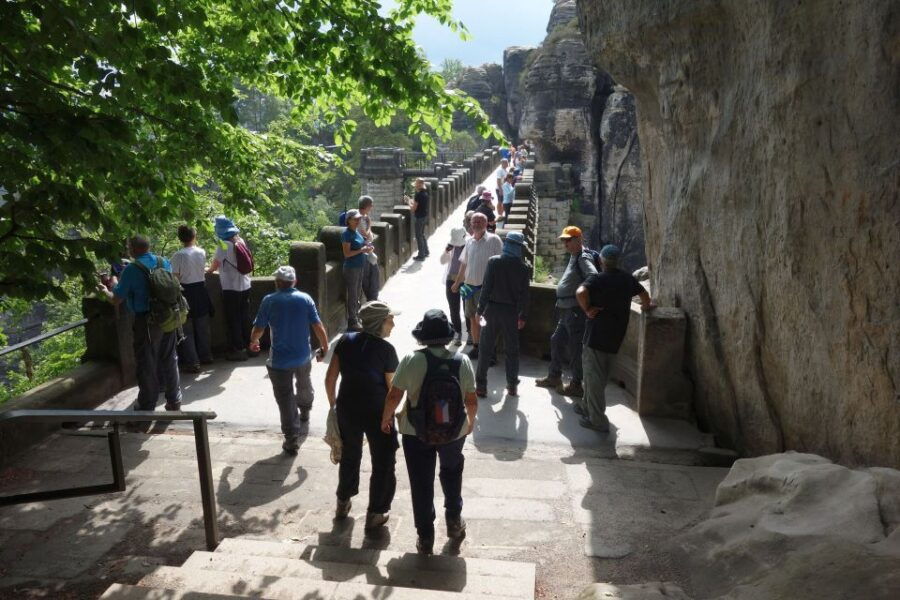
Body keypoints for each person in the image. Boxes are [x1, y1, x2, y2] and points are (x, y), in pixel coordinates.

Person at [380, 309, 478, 554]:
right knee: (452, 472)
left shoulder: (412, 359)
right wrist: (471, 421)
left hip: (416, 431)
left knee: (421, 482)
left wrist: (386, 417)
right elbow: (472, 400)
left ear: (423, 337)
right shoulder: (461, 361)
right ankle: (454, 521)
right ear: (447, 337)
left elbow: (394, 394)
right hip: (454, 431)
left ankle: (425, 536)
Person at [325, 301, 400, 529]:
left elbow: (330, 379)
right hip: (378, 411)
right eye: (390, 320)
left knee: (349, 455)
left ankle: (343, 501)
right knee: (384, 461)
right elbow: (392, 390)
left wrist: (334, 407)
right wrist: (389, 415)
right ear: (380, 323)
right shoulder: (386, 351)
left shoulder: (345, 341)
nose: (393, 324)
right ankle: (376, 512)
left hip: (347, 407)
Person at [249, 266, 330, 454]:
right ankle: (305, 409)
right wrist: (325, 347)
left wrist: (254, 341)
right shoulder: (305, 299)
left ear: (277, 282)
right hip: (303, 355)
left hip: (279, 360)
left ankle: (291, 437)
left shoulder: (269, 301)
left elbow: (259, 328)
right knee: (304, 382)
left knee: (284, 398)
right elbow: (317, 325)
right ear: (295, 281)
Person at [96, 235, 182, 411]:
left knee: (146, 363)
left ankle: (146, 404)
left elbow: (116, 299)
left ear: (132, 249)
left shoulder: (131, 270)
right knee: (170, 358)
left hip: (147, 322)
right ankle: (174, 400)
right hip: (169, 316)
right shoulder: (163, 261)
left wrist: (105, 290)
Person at [575, 245, 655, 431]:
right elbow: (645, 296)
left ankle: (597, 421)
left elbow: (580, 292)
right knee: (598, 376)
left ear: (601, 261)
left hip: (595, 336)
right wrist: (646, 307)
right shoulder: (627, 279)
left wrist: (587, 309)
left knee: (593, 378)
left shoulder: (597, 279)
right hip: (616, 336)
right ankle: (587, 407)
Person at [536, 226, 597, 397]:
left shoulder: (583, 258)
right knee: (556, 340)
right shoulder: (574, 256)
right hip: (566, 309)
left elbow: (594, 277)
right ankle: (554, 376)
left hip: (575, 310)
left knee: (575, 347)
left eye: (568, 240)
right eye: (564, 240)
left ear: (578, 240)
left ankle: (577, 384)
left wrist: (582, 296)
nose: (565, 244)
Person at [475, 232, 530, 397]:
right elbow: (525, 295)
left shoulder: (494, 262)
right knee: (512, 350)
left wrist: (479, 310)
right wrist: (523, 316)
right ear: (519, 247)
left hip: (491, 310)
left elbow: (486, 288)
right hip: (511, 312)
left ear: (507, 244)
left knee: (485, 349)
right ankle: (512, 385)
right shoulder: (523, 268)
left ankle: (481, 386)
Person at [450, 213, 502, 360]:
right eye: (474, 222)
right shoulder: (469, 241)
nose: (476, 224)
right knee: (472, 318)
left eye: (479, 222)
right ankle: (477, 347)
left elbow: (500, 264)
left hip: (485, 288)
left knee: (485, 321)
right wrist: (457, 282)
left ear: (486, 223)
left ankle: (490, 352)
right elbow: (464, 264)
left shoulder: (494, 240)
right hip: (468, 287)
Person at [208, 216, 252, 361]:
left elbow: (214, 266)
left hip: (231, 287)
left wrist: (207, 270)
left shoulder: (224, 245)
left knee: (233, 319)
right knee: (244, 317)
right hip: (245, 285)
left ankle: (238, 350)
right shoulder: (240, 240)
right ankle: (251, 346)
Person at [170, 225, 213, 373]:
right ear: (194, 236)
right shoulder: (201, 251)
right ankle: (206, 355)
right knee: (202, 326)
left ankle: (193, 362)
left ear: (180, 238)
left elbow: (175, 277)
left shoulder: (178, 255)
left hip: (186, 292)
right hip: (201, 290)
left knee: (187, 329)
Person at [341, 209, 373, 331]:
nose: (358, 221)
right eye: (355, 219)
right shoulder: (346, 234)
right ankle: (352, 321)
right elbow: (347, 254)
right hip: (351, 268)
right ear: (348, 220)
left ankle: (357, 317)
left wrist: (368, 246)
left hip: (359, 266)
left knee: (358, 293)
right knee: (353, 295)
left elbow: (362, 243)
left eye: (359, 219)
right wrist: (362, 250)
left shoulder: (356, 232)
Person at [440, 227, 468, 344]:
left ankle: (470, 333)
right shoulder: (451, 246)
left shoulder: (469, 245)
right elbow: (442, 261)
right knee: (454, 308)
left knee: (467, 308)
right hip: (451, 279)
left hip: (466, 281)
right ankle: (457, 332)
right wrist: (446, 251)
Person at [357, 195, 381, 302]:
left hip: (368, 250)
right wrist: (370, 224)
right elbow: (365, 234)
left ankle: (374, 299)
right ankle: (371, 300)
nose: (372, 207)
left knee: (374, 274)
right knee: (366, 277)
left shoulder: (364, 217)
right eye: (371, 205)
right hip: (362, 251)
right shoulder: (357, 218)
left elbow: (368, 234)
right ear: (367, 206)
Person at [406, 178, 429, 261]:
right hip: (424, 216)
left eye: (415, 185)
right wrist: (411, 201)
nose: (415, 187)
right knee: (422, 234)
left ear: (418, 186)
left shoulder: (418, 195)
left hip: (419, 217)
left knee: (418, 236)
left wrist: (408, 202)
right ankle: (426, 251)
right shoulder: (425, 194)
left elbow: (413, 209)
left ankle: (421, 255)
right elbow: (418, 204)